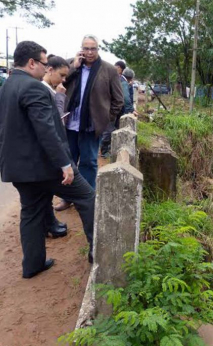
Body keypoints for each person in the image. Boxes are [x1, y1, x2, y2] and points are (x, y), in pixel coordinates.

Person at [0, 41, 96, 278]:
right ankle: (99, 252)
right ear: (31, 63)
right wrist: (65, 164)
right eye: (44, 63)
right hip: (45, 167)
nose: (46, 69)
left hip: (18, 168)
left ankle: (32, 265)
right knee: (87, 197)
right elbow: (46, 130)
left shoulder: (7, 86)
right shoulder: (35, 88)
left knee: (31, 213)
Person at [55, 35, 123, 211]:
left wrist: (105, 120)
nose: (89, 52)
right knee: (68, 162)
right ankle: (67, 198)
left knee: (89, 163)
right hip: (69, 123)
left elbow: (118, 100)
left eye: (93, 48)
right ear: (81, 49)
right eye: (86, 48)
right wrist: (73, 68)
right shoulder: (72, 65)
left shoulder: (108, 70)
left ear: (98, 50)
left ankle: (86, 200)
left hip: (91, 127)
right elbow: (58, 83)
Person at [40, 55, 71, 236]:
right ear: (49, 70)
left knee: (45, 192)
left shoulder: (47, 88)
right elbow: (56, 120)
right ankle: (49, 225)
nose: (63, 80)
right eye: (62, 75)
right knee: (42, 193)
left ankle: (50, 223)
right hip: (46, 152)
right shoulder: (45, 91)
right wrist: (60, 96)